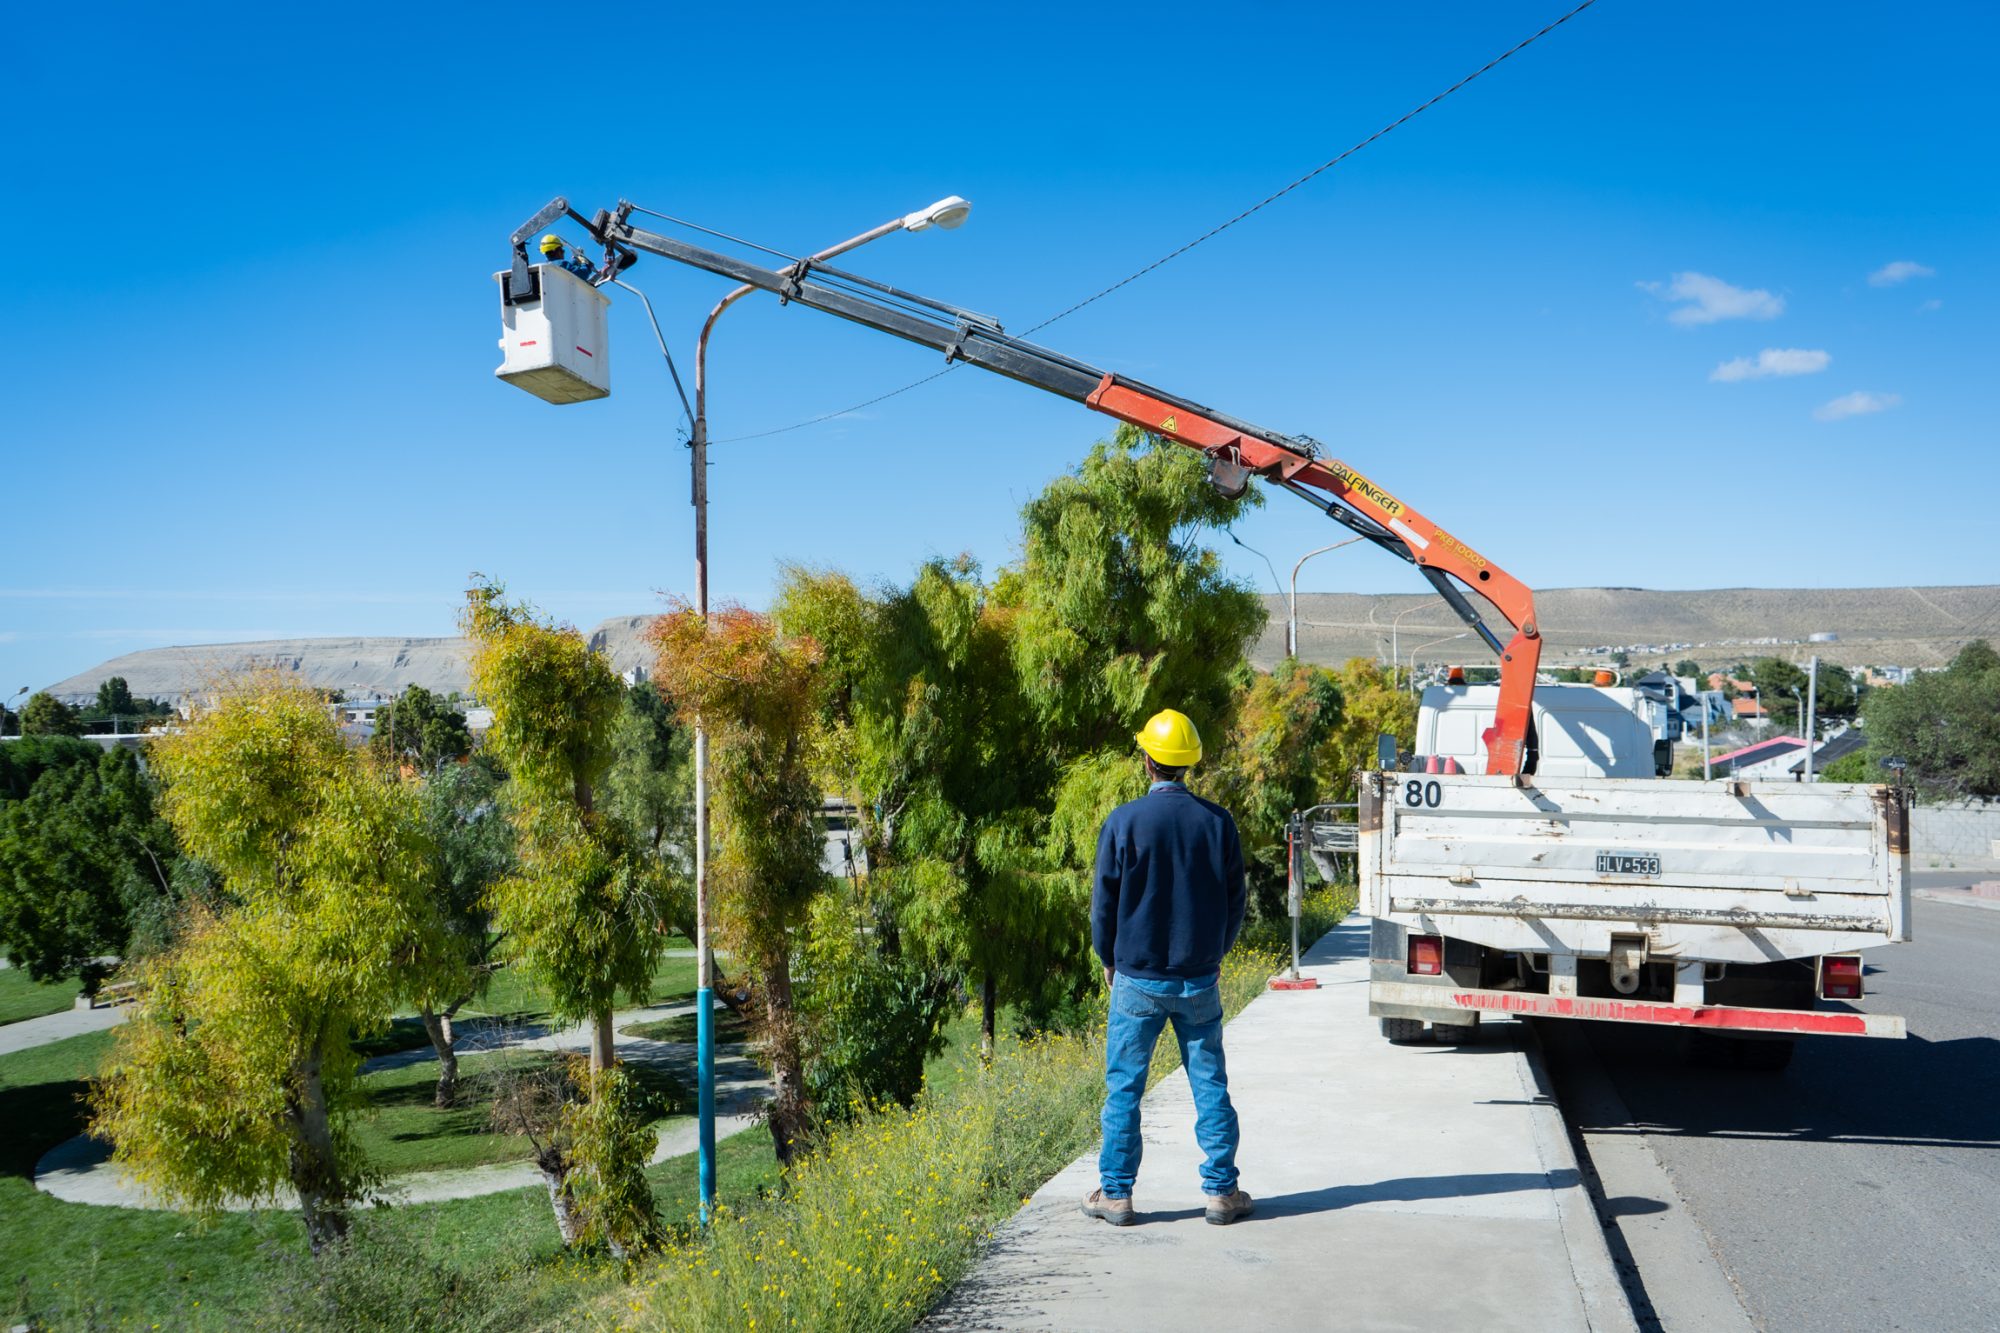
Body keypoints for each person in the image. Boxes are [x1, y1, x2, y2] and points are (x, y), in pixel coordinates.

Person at [1083, 708, 1252, 1228]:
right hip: (1199, 977)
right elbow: (1235, 900)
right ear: (1188, 764)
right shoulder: (1217, 822)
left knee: (1125, 1087)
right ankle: (1222, 1193)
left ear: (1148, 761)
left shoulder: (1124, 821)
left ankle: (1116, 1195)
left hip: (1137, 977)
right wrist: (1216, 952)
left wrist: (1108, 957)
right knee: (1210, 1084)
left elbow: (1104, 903)